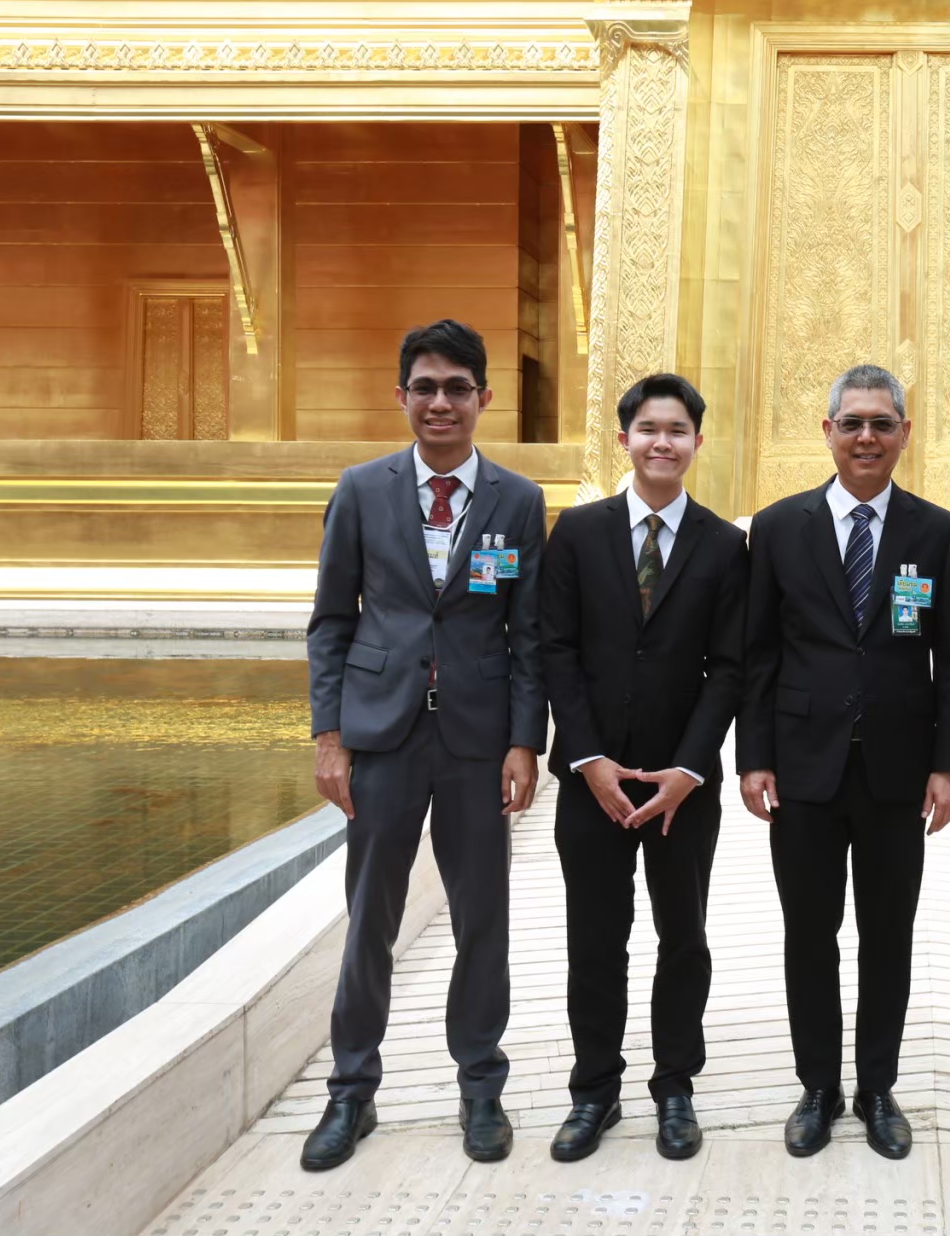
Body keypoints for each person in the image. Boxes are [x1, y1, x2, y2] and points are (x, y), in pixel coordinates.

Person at [302, 318, 546, 1170]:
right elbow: (331, 622)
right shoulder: (361, 490)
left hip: (477, 741)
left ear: (484, 398)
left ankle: (480, 1086)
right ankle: (350, 1090)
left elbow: (528, 634)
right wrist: (329, 735)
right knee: (371, 916)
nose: (441, 402)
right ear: (402, 395)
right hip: (383, 734)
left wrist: (526, 742)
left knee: (483, 919)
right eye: (426, 387)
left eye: (457, 388)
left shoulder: (518, 500)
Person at [736, 364, 950, 1161]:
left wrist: (948, 764)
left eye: (882, 423)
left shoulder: (935, 530)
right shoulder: (778, 527)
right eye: (853, 423)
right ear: (828, 431)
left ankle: (876, 1086)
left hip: (898, 773)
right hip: (802, 768)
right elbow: (759, 654)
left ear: (905, 433)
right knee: (809, 932)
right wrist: (754, 756)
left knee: (888, 935)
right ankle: (818, 1086)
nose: (867, 437)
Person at [539, 373, 747, 1163]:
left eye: (678, 430)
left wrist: (688, 769)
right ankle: (594, 1089)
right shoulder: (578, 531)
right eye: (650, 428)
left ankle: (675, 1084)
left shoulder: (724, 545)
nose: (664, 442)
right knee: (595, 939)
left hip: (681, 786)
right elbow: (557, 648)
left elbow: (730, 668)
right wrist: (588, 759)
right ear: (624, 437)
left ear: (697, 442)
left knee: (682, 936)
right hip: (591, 780)